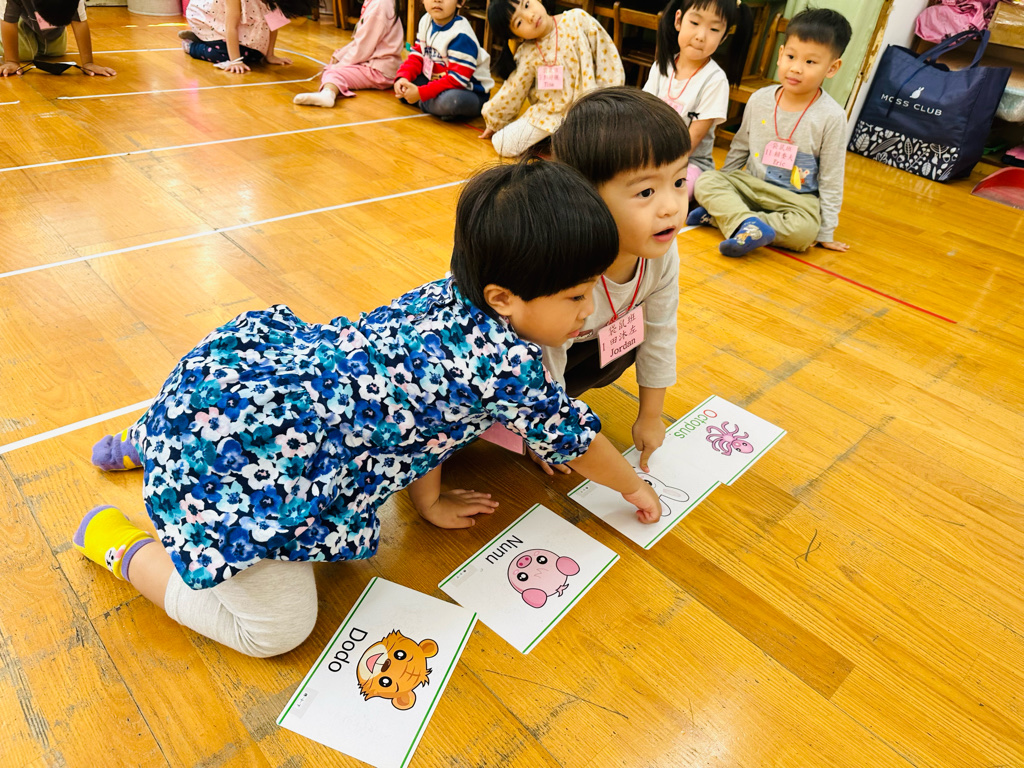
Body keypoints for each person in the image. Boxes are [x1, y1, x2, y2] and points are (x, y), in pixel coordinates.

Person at [75, 160, 662, 659]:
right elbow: (580, 444)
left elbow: (427, 421)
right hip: (253, 480)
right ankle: (125, 550)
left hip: (223, 401)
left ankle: (149, 441)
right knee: (275, 633)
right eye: (576, 296)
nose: (589, 310)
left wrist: (427, 499)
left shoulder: (450, 293)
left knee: (215, 416)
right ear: (503, 299)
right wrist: (634, 487)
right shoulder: (509, 367)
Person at [546, 87, 689, 473]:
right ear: (587, 196)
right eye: (646, 191)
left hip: (574, 346)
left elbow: (661, 330)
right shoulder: (566, 262)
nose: (672, 207)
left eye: (679, 182)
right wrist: (547, 433)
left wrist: (651, 416)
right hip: (502, 358)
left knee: (635, 337)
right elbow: (543, 352)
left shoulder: (662, 252)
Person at [689, 7, 852, 257]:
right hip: (751, 187)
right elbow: (740, 147)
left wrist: (825, 231)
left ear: (832, 68)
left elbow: (831, 176)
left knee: (805, 232)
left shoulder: (832, 116)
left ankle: (728, 219)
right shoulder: (759, 99)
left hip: (795, 200)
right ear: (780, 54)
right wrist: (726, 185)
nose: (796, 68)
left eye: (810, 62)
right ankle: (743, 221)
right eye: (791, 57)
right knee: (707, 180)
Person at [481, 0, 623, 157]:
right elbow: (513, 89)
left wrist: (608, 103)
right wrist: (495, 118)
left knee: (592, 150)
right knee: (502, 143)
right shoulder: (527, 53)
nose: (530, 17)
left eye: (526, 5)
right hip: (549, 115)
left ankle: (564, 142)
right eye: (519, 22)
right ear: (516, 37)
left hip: (589, 110)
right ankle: (560, 140)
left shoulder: (577, 19)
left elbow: (607, 61)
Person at [643, 0, 752, 199]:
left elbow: (690, 143)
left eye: (714, 29)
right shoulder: (661, 66)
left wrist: (653, 166)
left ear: (724, 36)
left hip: (689, 163)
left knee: (670, 192)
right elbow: (641, 116)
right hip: (648, 153)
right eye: (694, 23)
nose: (701, 36)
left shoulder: (715, 81)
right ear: (678, 20)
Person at [393, 0, 492, 120]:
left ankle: (421, 102)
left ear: (460, 2)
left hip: (468, 91)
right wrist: (403, 78)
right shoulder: (425, 20)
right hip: (437, 81)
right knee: (405, 84)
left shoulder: (462, 35)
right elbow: (417, 56)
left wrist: (420, 93)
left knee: (453, 101)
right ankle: (429, 104)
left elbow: (456, 81)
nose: (437, 0)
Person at [294, 0, 404, 107]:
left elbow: (363, 48)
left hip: (379, 70)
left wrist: (339, 65)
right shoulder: (376, 3)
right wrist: (340, 56)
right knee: (336, 61)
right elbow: (360, 41)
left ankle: (328, 94)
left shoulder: (379, 5)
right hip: (374, 63)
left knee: (334, 73)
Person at [177, 0, 310, 74]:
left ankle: (206, 39)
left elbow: (273, 24)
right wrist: (235, 61)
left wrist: (270, 55)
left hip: (239, 27)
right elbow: (231, 26)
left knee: (256, 55)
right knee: (225, 55)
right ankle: (193, 45)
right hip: (210, 20)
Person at [1, 0, 116, 77]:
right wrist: (12, 61)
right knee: (25, 54)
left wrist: (88, 63)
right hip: (19, 17)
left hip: (45, 18)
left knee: (55, 52)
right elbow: (8, 20)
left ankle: (43, 30)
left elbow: (79, 21)